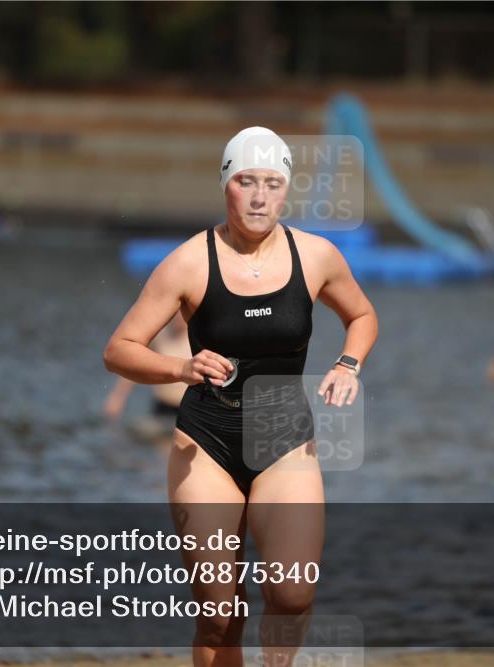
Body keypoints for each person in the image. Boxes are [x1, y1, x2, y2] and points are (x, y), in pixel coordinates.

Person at [104, 126, 378, 667]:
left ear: (286, 190)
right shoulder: (189, 262)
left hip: (283, 436)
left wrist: (348, 363)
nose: (258, 196)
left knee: (293, 594)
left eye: (272, 183)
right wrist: (181, 366)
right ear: (225, 184)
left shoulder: (317, 256)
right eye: (246, 181)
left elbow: (363, 315)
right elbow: (119, 350)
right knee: (219, 613)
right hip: (205, 440)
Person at [104, 312, 192, 445]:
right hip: (162, 405)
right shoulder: (161, 336)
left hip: (188, 408)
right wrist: (117, 397)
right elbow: (134, 364)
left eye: (182, 314)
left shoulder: (197, 337)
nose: (179, 319)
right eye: (175, 315)